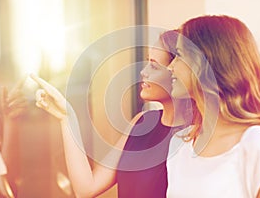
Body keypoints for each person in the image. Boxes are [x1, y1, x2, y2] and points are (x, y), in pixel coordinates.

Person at [30, 30, 192, 197]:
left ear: (177, 73)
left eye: (154, 65)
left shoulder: (192, 137)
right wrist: (67, 117)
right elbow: (86, 189)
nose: (143, 72)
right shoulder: (141, 122)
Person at [166, 15, 260, 198]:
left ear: (204, 61)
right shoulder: (179, 143)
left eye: (178, 55)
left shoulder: (255, 143)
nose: (170, 66)